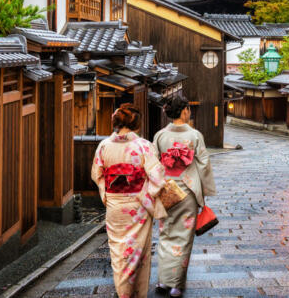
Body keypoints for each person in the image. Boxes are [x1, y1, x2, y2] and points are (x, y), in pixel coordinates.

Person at [91, 103, 167, 298]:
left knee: (118, 253)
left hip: (115, 206)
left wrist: (107, 194)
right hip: (138, 206)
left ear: (116, 123)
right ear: (137, 124)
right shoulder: (143, 146)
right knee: (139, 252)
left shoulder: (104, 146)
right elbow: (157, 178)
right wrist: (147, 192)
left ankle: (123, 291)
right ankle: (135, 294)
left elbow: (97, 175)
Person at [153, 94, 216, 297]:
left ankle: (163, 281)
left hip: (167, 190)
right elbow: (204, 164)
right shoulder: (195, 135)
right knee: (183, 238)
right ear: (184, 111)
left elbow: (154, 164)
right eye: (188, 109)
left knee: (165, 234)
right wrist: (204, 192)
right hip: (188, 191)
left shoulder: (160, 135)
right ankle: (176, 285)